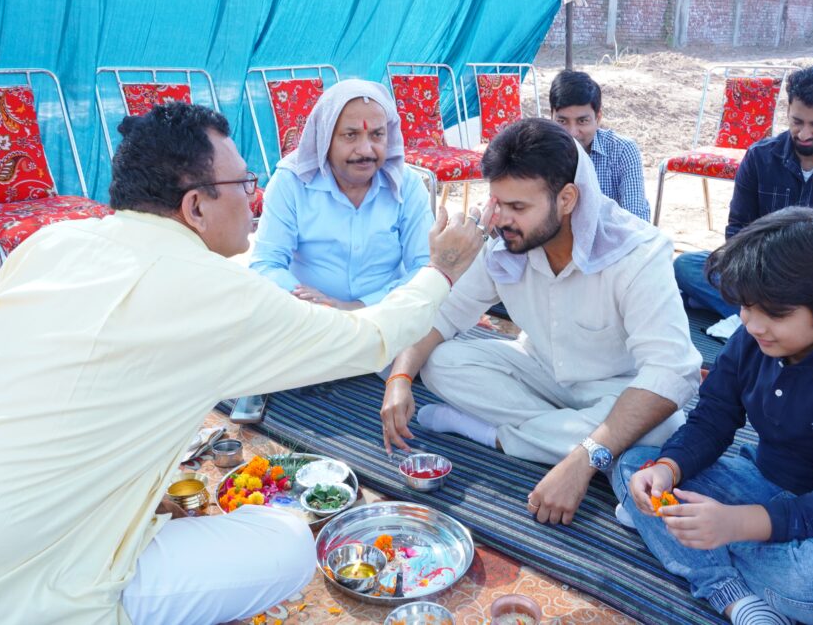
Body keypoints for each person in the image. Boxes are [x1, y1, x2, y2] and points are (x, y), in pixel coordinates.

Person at [0, 103, 488, 625]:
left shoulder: (49, 243)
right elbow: (369, 338)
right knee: (287, 544)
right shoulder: (211, 288)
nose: (253, 196)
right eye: (243, 183)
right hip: (12, 590)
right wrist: (442, 270)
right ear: (195, 205)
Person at [380, 118, 702, 525]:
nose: (500, 219)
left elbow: (672, 370)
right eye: (498, 202)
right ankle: (595, 448)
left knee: (666, 424)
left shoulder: (639, 254)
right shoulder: (506, 242)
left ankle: (489, 434)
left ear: (566, 199)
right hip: (538, 371)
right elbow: (440, 317)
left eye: (518, 207)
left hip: (617, 390)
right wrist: (399, 379)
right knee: (437, 361)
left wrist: (583, 460)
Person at [616, 205, 813, 625]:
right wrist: (667, 469)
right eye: (745, 306)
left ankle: (686, 539)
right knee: (632, 466)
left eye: (774, 313)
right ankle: (735, 596)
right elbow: (713, 418)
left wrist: (733, 525)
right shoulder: (752, 340)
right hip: (766, 480)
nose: (753, 324)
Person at [674, 63, 813, 329]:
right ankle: (803, 327)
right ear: (788, 109)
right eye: (797, 121)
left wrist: (805, 277)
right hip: (762, 274)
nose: (804, 134)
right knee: (686, 266)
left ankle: (753, 315)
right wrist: (766, 273)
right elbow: (738, 231)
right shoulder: (760, 156)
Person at [251, 79, 433, 309]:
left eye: (377, 135)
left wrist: (361, 306)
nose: (366, 150)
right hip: (309, 317)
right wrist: (313, 304)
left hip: (387, 314)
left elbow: (425, 266)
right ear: (325, 138)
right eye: (350, 135)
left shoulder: (407, 184)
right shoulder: (291, 182)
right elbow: (266, 264)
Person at [549, 69, 650, 220]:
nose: (572, 133)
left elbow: (635, 221)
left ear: (598, 118)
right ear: (551, 116)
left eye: (582, 121)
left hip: (613, 241)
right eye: (562, 121)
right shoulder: (539, 153)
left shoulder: (622, 151)